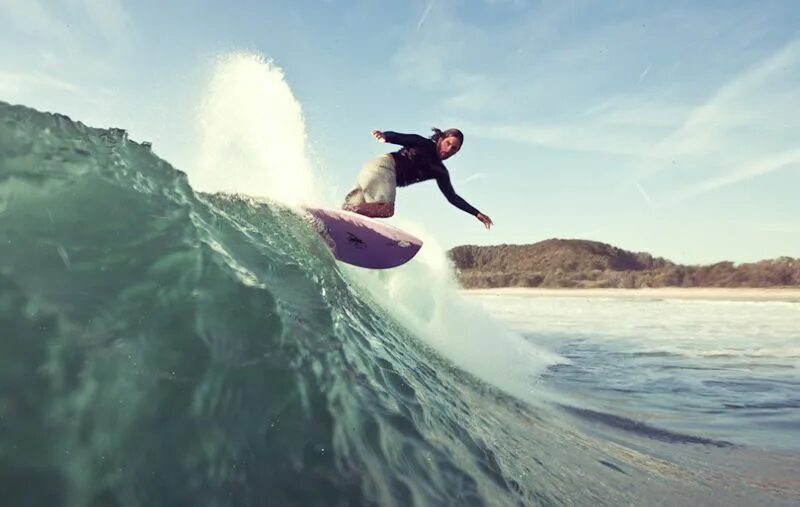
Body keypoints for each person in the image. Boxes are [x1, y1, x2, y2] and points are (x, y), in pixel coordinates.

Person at [342, 128, 494, 229]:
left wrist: (476, 213)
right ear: (440, 139)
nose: (448, 150)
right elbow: (404, 138)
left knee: (354, 212)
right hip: (384, 168)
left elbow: (452, 197)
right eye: (448, 143)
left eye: (454, 148)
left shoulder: (440, 171)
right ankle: (344, 211)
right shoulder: (424, 144)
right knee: (385, 209)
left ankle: (332, 221)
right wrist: (385, 136)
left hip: (371, 170)